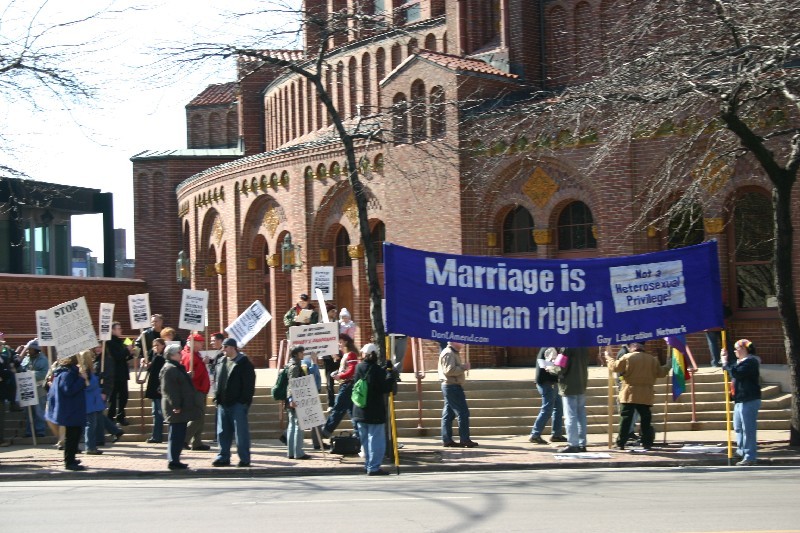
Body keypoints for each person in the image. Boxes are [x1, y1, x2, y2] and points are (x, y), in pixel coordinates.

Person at [605, 342, 670, 450]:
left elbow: (614, 367)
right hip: (646, 392)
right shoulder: (652, 359)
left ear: (633, 346)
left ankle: (621, 442)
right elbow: (661, 373)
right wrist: (668, 365)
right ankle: (647, 442)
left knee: (626, 419)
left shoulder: (628, 357)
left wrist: (608, 356)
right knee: (645, 419)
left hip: (629, 392)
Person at [212, 338, 256, 468]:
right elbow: (216, 381)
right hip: (222, 403)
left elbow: (249, 385)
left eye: (225, 347)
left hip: (238, 404)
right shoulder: (220, 362)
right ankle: (223, 457)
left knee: (240, 433)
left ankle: (244, 458)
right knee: (222, 432)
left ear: (232, 348)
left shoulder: (244, 363)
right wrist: (217, 397)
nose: (223, 349)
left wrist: (244, 401)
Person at [352, 343, 395, 476]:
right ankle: (374, 467)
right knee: (376, 440)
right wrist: (390, 374)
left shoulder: (358, 367)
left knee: (365, 441)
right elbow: (385, 387)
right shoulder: (378, 370)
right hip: (375, 411)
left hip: (359, 410)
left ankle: (368, 464)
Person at [722, 339, 762, 466]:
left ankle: (750, 456)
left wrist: (725, 363)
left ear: (745, 349)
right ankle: (741, 451)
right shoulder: (738, 362)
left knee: (748, 429)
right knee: (738, 428)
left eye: (737, 348)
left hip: (749, 399)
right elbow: (732, 371)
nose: (735, 351)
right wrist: (725, 361)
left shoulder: (751, 362)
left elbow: (737, 373)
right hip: (739, 399)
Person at [160, 344, 200, 470]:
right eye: (178, 352)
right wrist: (176, 405)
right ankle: (173, 460)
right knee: (176, 435)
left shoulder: (175, 368)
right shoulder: (170, 368)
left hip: (181, 407)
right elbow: (170, 389)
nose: (181, 354)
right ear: (172, 355)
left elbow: (178, 383)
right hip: (176, 408)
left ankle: (175, 459)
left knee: (179, 434)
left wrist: (187, 376)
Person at [45, 355, 87, 471]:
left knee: (75, 435)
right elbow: (68, 390)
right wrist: (81, 380)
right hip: (70, 410)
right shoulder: (67, 374)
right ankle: (69, 461)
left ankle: (72, 458)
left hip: (72, 409)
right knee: (71, 436)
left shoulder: (70, 372)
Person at [438, 341, 478, 448]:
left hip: (450, 386)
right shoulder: (449, 353)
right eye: (460, 340)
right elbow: (449, 370)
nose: (463, 342)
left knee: (448, 414)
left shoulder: (452, 352)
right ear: (454, 341)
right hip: (452, 386)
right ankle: (464, 439)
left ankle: (447, 439)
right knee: (463, 412)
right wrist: (464, 367)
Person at [321, 334, 360, 438]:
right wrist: (338, 373)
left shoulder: (351, 354)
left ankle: (326, 430)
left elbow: (352, 370)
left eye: (340, 342)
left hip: (347, 385)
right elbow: (348, 369)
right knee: (351, 411)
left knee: (338, 407)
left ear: (346, 342)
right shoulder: (347, 354)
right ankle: (358, 433)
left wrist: (340, 376)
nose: (339, 344)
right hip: (348, 385)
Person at [556, 347, 590, 453]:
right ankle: (582, 443)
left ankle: (573, 443)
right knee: (581, 416)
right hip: (581, 383)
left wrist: (551, 368)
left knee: (570, 416)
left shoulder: (566, 348)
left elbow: (561, 367)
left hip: (569, 385)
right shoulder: (584, 347)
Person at [528, 347, 565, 445]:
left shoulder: (546, 347)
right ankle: (535, 434)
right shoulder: (550, 349)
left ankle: (556, 434)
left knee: (558, 408)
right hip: (547, 383)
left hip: (549, 382)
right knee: (547, 409)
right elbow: (551, 368)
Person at [181, 333, 211, 451]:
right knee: (197, 417)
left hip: (200, 390)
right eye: (200, 342)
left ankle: (197, 442)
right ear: (193, 343)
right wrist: (203, 364)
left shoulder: (194, 355)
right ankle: (184, 439)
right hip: (195, 390)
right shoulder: (190, 356)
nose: (202, 344)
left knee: (200, 417)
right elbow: (192, 375)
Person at [284, 345, 310, 460]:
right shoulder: (295, 367)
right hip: (295, 399)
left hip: (291, 399)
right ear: (296, 353)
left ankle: (291, 452)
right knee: (298, 426)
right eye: (301, 352)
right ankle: (298, 452)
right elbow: (292, 384)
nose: (303, 354)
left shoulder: (290, 364)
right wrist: (292, 399)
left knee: (292, 425)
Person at [19, 338, 48, 438]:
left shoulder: (43, 360)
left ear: (36, 350)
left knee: (39, 411)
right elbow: (21, 369)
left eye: (30, 349)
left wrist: (29, 374)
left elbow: (44, 374)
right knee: (28, 412)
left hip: (39, 389)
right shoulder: (26, 359)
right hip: (27, 388)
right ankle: (29, 431)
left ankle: (40, 431)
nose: (28, 351)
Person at [79, 350, 105, 456]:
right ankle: (90, 446)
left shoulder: (89, 371)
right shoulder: (85, 372)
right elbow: (87, 386)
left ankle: (91, 445)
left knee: (92, 425)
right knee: (90, 425)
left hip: (93, 400)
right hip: (89, 401)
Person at [106, 322, 133, 425]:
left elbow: (124, 357)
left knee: (124, 396)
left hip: (122, 373)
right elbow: (117, 356)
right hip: (114, 374)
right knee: (113, 398)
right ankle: (110, 417)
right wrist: (127, 350)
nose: (120, 330)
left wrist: (131, 353)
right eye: (118, 328)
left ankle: (121, 416)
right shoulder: (109, 342)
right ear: (112, 330)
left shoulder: (121, 341)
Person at [143, 338, 167, 443]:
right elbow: (151, 369)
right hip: (154, 388)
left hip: (158, 389)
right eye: (154, 346)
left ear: (163, 345)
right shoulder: (155, 356)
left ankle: (157, 436)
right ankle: (156, 436)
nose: (155, 347)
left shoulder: (162, 358)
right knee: (155, 413)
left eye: (157, 345)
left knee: (159, 413)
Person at [207, 332, 227, 401]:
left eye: (213, 341)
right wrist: (210, 361)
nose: (211, 343)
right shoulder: (219, 352)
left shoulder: (223, 353)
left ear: (220, 341)